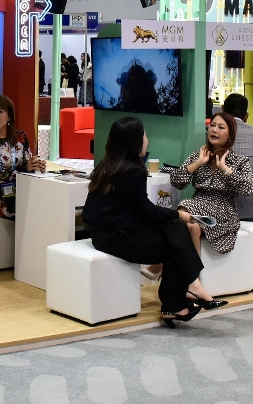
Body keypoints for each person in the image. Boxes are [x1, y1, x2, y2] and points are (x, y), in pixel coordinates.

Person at [83, 116, 217, 325]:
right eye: (144, 135)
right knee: (175, 243)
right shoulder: (132, 171)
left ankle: (186, 295)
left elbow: (138, 210)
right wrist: (178, 214)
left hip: (103, 233)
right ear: (135, 141)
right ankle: (185, 293)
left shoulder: (108, 165)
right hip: (116, 237)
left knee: (175, 229)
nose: (147, 139)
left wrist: (174, 217)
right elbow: (146, 211)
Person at [169, 112, 253, 268]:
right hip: (197, 207)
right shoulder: (198, 155)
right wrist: (198, 163)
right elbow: (176, 181)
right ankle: (194, 276)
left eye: (221, 127)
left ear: (230, 135)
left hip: (223, 212)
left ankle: (159, 265)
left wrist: (225, 169)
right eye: (212, 125)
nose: (214, 130)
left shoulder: (239, 161)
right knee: (193, 227)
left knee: (182, 208)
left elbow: (249, 188)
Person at [0, 94, 45, 219]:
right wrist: (25, 169)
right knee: (25, 214)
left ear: (9, 116)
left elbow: (28, 164)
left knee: (43, 208)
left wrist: (36, 165)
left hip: (22, 192)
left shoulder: (21, 137)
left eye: (0, 111)